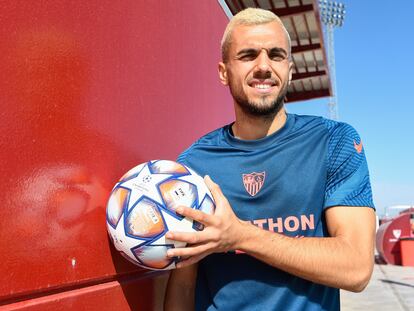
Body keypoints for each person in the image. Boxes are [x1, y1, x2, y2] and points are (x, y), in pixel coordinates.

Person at [164, 7, 376, 311]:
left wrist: (240, 236)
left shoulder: (334, 142)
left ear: (290, 70)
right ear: (224, 72)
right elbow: (183, 284)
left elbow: (356, 268)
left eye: (276, 55)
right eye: (248, 55)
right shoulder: (194, 164)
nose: (264, 66)